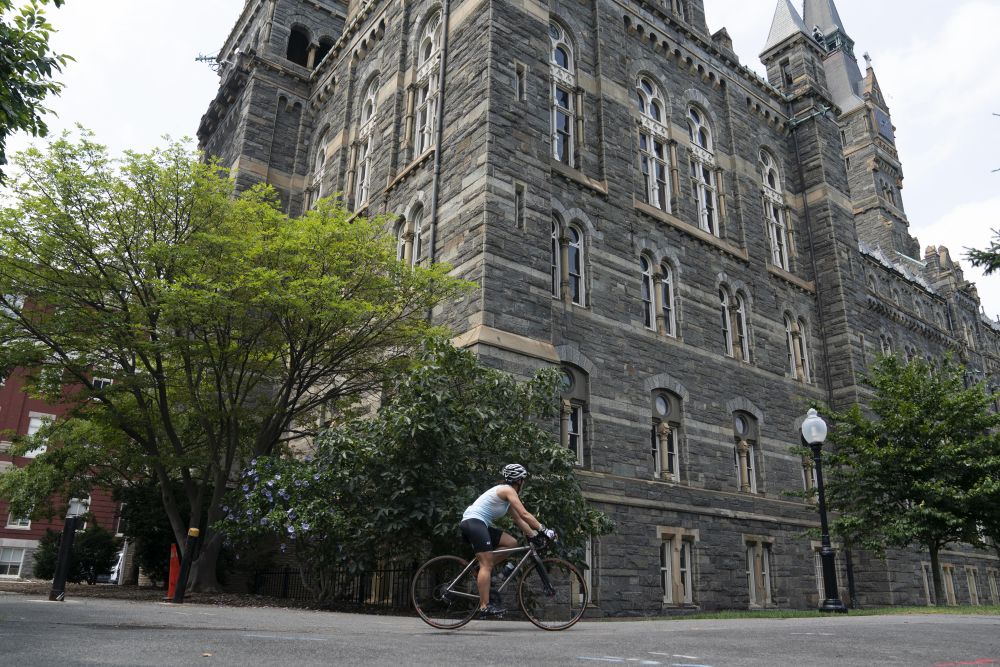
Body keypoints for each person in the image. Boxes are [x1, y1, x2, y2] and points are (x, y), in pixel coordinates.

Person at [460, 463, 550, 618]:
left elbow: (519, 519)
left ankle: (480, 569)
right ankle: (484, 607)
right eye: (523, 480)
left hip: (478, 523)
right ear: (519, 480)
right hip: (473, 522)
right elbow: (525, 514)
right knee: (487, 564)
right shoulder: (508, 490)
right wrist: (544, 530)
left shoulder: (506, 496)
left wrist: (533, 535)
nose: (523, 483)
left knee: (511, 543)